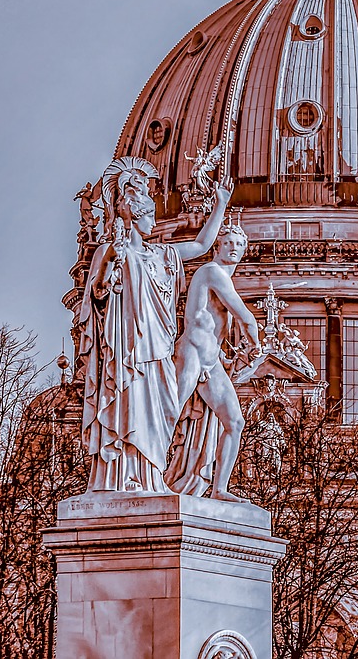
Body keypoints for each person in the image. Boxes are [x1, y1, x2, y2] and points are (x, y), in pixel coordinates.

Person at [78, 157, 232, 493]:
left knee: (154, 415)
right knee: (128, 409)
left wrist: (220, 203)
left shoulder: (161, 255)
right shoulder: (110, 250)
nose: (154, 222)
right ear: (134, 216)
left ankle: (147, 477)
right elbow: (98, 293)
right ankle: (122, 477)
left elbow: (202, 246)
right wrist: (110, 261)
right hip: (127, 350)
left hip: (157, 348)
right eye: (149, 216)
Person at [164, 219, 258, 501]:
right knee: (171, 410)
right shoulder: (211, 271)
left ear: (244, 250)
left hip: (211, 359)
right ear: (217, 246)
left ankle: (219, 489)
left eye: (239, 244)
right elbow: (245, 315)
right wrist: (255, 342)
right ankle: (145, 471)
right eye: (227, 242)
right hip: (192, 349)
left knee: (235, 422)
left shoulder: (222, 277)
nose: (233, 247)